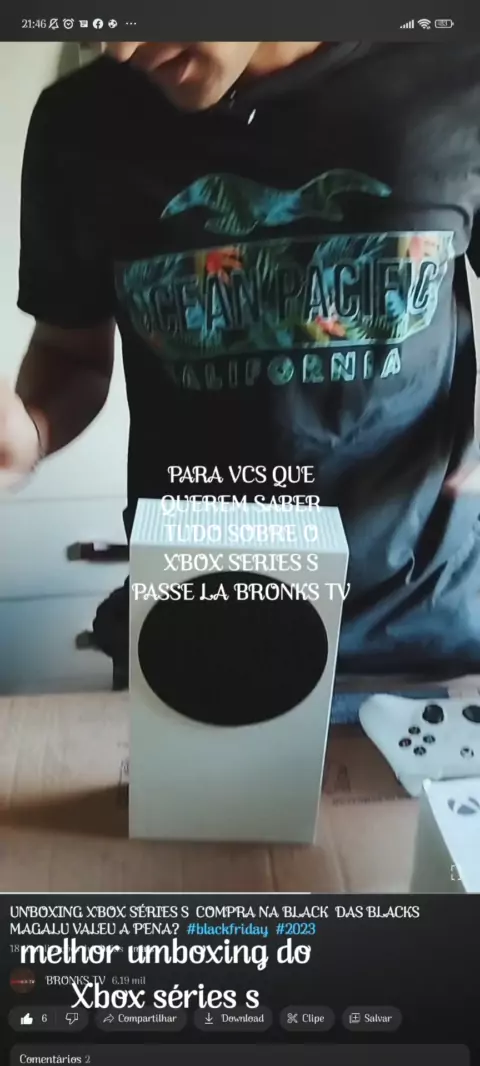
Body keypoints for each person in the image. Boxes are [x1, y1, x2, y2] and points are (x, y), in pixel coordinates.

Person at [1, 40, 480, 678]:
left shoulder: (459, 73)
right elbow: (70, 352)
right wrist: (29, 433)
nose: (118, 42)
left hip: (420, 637)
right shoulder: (79, 123)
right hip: (194, 637)